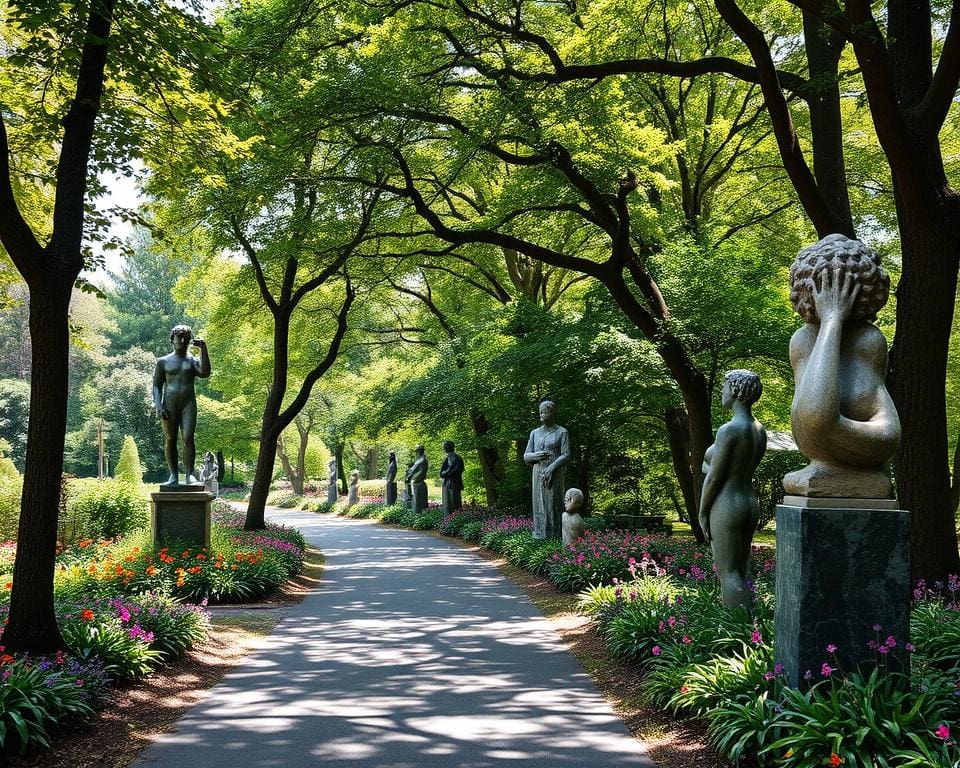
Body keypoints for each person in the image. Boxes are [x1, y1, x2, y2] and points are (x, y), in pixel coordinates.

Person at [784, 234, 900, 498]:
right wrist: (829, 324)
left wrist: (833, 318)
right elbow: (812, 425)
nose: (828, 294)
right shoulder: (802, 340)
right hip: (825, 443)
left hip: (874, 437)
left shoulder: (868, 340)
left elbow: (819, 418)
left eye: (838, 287)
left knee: (819, 424)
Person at [699, 370, 767, 610]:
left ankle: (739, 630)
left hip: (726, 503)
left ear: (736, 390)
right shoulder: (759, 430)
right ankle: (754, 627)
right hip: (749, 501)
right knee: (744, 568)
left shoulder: (729, 430)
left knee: (728, 573)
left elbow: (715, 477)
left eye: (725, 386)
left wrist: (702, 511)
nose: (722, 392)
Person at [153, 324, 210, 486]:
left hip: (188, 404)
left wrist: (204, 350)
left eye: (186, 337)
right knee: (170, 438)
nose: (182, 340)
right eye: (179, 336)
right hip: (169, 405)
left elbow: (205, 373)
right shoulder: (163, 362)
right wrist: (158, 405)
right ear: (172, 339)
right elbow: (156, 385)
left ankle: (190, 475)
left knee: (188, 438)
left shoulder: (192, 361)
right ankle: (173, 476)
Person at [523, 400, 570, 540]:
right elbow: (526, 456)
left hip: (554, 473)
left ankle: (554, 535)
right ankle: (539, 534)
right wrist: (535, 456)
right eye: (540, 412)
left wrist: (551, 468)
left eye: (544, 411)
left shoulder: (562, 432)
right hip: (537, 473)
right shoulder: (534, 433)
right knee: (538, 503)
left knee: (553, 503)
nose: (541, 415)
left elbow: (566, 454)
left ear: (552, 412)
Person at [439, 441, 464, 515]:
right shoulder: (446, 459)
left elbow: (457, 471)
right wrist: (448, 471)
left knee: (455, 503)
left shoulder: (458, 458)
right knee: (447, 504)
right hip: (446, 483)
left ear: (450, 447)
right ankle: (447, 521)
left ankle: (456, 520)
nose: (444, 449)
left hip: (454, 483)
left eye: (445, 447)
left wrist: (448, 472)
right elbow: (441, 473)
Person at [405, 445, 429, 513]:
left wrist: (410, 475)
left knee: (418, 500)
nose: (416, 453)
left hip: (418, 481)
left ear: (420, 451)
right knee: (414, 498)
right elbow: (413, 469)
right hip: (415, 481)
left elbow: (418, 471)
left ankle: (418, 512)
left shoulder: (422, 460)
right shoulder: (419, 459)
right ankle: (416, 511)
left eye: (417, 451)